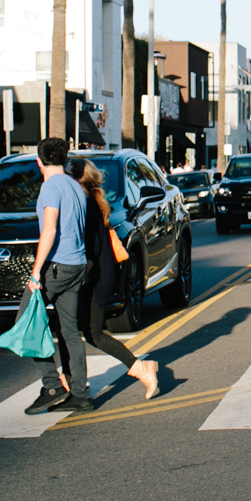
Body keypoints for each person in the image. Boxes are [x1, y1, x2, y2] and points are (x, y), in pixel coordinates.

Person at [68, 157, 160, 399]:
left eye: (68, 176)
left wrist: (77, 277)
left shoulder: (87, 204)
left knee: (92, 333)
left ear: (78, 180)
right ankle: (69, 381)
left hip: (95, 276)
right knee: (86, 331)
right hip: (98, 274)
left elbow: (93, 247)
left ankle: (141, 368)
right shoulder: (91, 200)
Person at [24, 137, 94, 414]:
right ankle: (80, 393)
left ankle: (52, 385)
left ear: (39, 161)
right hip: (77, 265)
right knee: (69, 331)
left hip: (56, 266)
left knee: (27, 322)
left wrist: (35, 272)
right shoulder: (75, 187)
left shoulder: (50, 187)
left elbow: (49, 230)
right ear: (64, 160)